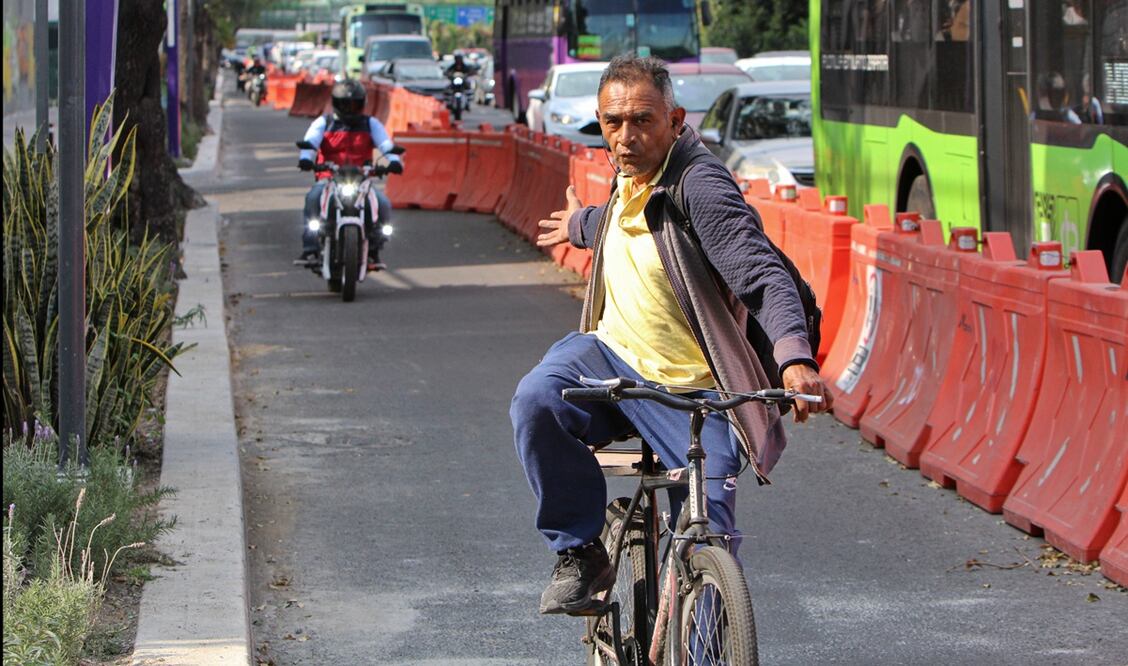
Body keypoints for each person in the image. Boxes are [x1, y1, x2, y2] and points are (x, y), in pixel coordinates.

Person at [510, 55, 832, 615]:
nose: (627, 138)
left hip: (696, 392)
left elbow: (762, 275)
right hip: (612, 357)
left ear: (675, 119)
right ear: (600, 122)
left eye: (643, 121)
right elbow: (621, 220)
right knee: (537, 399)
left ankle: (706, 645)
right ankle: (580, 552)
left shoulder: (700, 186)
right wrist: (579, 226)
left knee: (707, 537)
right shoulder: (629, 171)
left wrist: (793, 358)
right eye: (614, 123)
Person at [296, 79, 403, 270]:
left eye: (354, 104)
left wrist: (394, 161)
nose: (350, 109)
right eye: (345, 104)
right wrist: (306, 158)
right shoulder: (324, 122)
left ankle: (374, 248)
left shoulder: (371, 124)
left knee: (383, 203)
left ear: (362, 103)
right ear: (336, 103)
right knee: (313, 198)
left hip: (361, 179)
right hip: (329, 178)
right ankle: (310, 247)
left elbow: (385, 144)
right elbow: (310, 142)